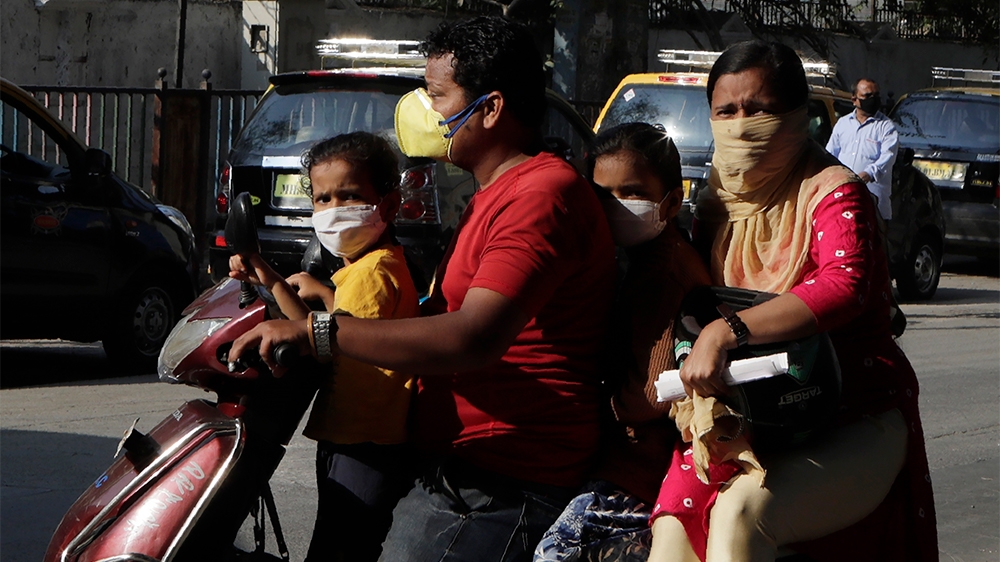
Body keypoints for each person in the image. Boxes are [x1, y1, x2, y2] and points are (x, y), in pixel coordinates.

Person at [230, 16, 617, 562]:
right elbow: (432, 312)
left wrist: (319, 331)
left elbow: (472, 336)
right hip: (457, 465)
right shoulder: (491, 193)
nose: (426, 111)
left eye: (436, 95)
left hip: (502, 481)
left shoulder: (539, 196)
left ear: (491, 107)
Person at [647, 41, 937, 562]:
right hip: (745, 416)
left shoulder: (833, 191)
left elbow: (843, 285)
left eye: (759, 110)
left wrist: (728, 331)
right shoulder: (715, 203)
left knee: (739, 517)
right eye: (726, 111)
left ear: (797, 115)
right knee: (672, 533)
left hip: (849, 412)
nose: (740, 125)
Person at [228, 132, 420, 562]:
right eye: (322, 198)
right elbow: (335, 327)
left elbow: (325, 339)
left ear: (387, 206)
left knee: (339, 549)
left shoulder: (372, 273)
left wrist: (274, 281)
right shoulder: (371, 265)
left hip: (364, 441)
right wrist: (283, 281)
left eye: (348, 196)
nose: (333, 211)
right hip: (359, 435)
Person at [533, 123, 710, 562]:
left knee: (556, 553)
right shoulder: (637, 257)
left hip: (639, 465)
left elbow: (652, 394)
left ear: (671, 201)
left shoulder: (665, 272)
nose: (616, 206)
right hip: (621, 456)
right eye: (603, 193)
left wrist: (589, 404)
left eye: (632, 192)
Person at [825, 78, 899, 221]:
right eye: (867, 96)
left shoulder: (886, 127)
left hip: (873, 203)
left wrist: (869, 174)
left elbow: (887, 158)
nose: (873, 99)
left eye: (876, 96)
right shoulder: (843, 124)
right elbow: (829, 155)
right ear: (854, 100)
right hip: (843, 201)